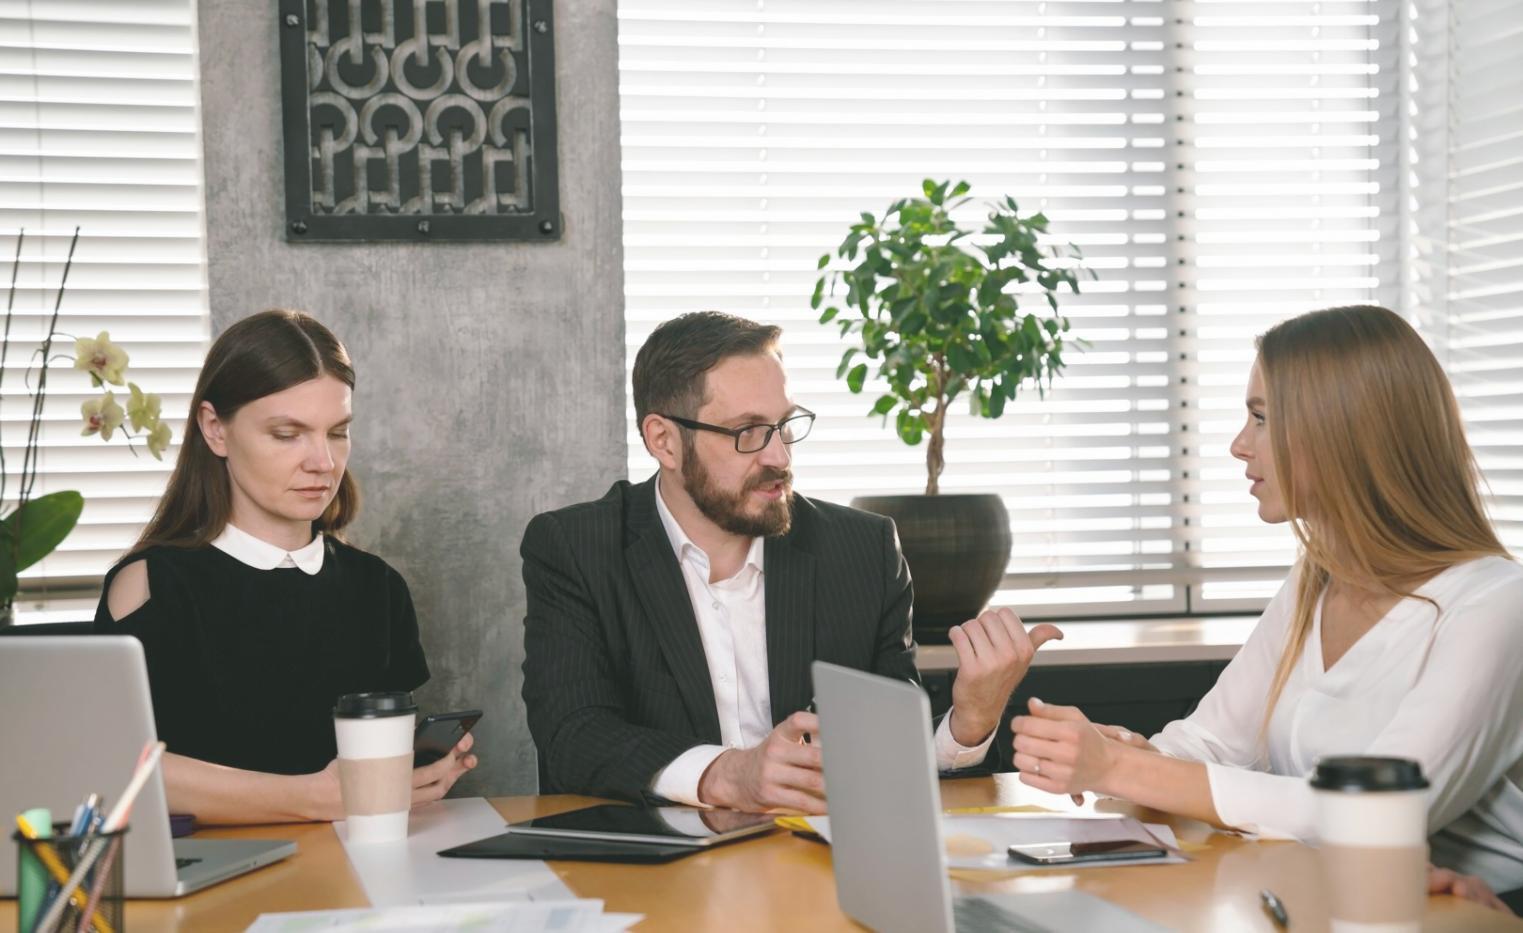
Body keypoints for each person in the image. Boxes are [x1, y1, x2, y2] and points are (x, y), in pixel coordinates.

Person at [1007, 305, 1523, 896]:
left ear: (1343, 431)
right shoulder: (1317, 579)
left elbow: (1376, 814)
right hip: (1327, 896)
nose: (1238, 445)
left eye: (1260, 419)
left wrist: (1124, 769)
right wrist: (1124, 752)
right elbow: (1212, 743)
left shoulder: (1494, 604)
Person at [521, 311, 1061, 813]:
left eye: (784, 425)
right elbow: (573, 736)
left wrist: (969, 722)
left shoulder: (862, 550)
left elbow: (888, 752)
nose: (779, 456)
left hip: (812, 859)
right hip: (648, 865)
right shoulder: (576, 548)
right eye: (748, 433)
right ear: (664, 441)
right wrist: (728, 774)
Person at [93, 309, 476, 824]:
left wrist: (413, 778)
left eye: (337, 433)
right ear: (215, 429)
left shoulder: (378, 588)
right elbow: (119, 768)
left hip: (362, 860)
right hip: (215, 868)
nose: (323, 462)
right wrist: (314, 798)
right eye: (287, 433)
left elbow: (368, 772)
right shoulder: (152, 586)